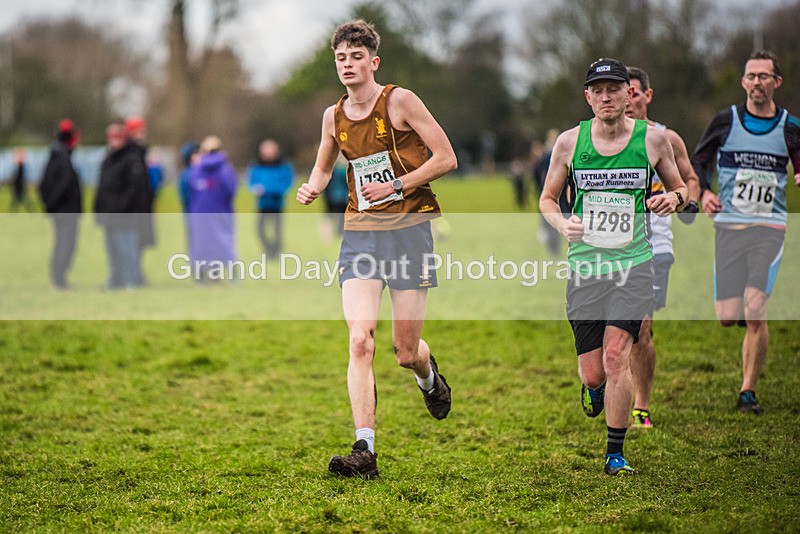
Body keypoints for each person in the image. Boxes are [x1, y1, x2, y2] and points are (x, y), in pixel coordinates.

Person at [296, 19, 457, 479]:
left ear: (373, 61)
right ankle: (364, 448)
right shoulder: (333, 115)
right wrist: (312, 186)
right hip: (361, 234)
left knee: (405, 352)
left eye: (356, 57)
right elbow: (324, 165)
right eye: (341, 58)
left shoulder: (400, 101)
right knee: (359, 338)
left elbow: (446, 157)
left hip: (409, 233)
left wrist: (398, 184)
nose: (348, 65)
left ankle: (429, 378)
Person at [539, 58, 687, 476]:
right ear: (588, 97)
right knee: (592, 373)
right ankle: (596, 390)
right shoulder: (570, 143)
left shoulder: (653, 141)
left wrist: (671, 200)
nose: (607, 96)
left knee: (617, 354)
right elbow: (547, 199)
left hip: (634, 264)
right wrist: (562, 222)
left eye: (615, 89)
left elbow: (679, 188)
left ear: (629, 95)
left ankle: (614, 454)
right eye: (598, 90)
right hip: (586, 267)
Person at [690, 50, 800, 415]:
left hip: (769, 229)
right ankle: (750, 312)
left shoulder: (790, 127)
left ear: (776, 82)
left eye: (764, 76)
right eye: (751, 76)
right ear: (743, 82)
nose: (757, 82)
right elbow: (699, 161)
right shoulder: (725, 121)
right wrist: (704, 192)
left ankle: (747, 391)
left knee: (755, 310)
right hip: (729, 229)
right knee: (727, 315)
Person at [624, 66, 701, 429]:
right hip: (608, 246)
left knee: (639, 326)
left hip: (655, 242)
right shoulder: (600, 139)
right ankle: (611, 384)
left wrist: (682, 202)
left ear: (647, 96)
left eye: (634, 92)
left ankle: (640, 404)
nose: (627, 99)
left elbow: (689, 182)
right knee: (615, 325)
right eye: (623, 92)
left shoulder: (665, 138)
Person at [94, 123, 149, 289]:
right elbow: (102, 187)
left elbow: (134, 189)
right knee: (113, 250)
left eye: (117, 138)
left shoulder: (131, 159)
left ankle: (132, 281)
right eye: (111, 138)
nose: (113, 141)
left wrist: (121, 206)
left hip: (125, 214)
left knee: (128, 248)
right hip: (108, 214)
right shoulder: (108, 160)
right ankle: (115, 280)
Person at [38, 119, 82, 290]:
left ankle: (58, 278)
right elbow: (62, 185)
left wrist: (49, 204)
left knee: (62, 243)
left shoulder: (55, 155)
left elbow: (43, 185)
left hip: (60, 210)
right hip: (65, 211)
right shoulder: (62, 158)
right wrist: (53, 204)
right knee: (65, 243)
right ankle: (59, 279)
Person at [188, 135, 238, 281]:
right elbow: (231, 190)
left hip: (199, 212)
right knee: (224, 242)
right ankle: (231, 275)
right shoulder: (226, 169)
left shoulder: (196, 168)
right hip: (221, 211)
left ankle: (202, 276)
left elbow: (190, 189)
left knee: (202, 244)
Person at [247, 139, 295, 258]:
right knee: (260, 229)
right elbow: (252, 182)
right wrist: (256, 189)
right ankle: (269, 250)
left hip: (277, 203)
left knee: (277, 230)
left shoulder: (283, 165)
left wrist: (272, 190)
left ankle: (276, 252)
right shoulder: (256, 166)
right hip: (262, 204)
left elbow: (287, 182)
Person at [9, 147, 34, 212]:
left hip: (20, 185)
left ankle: (29, 209)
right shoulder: (20, 167)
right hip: (19, 185)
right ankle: (14, 211)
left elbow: (20, 177)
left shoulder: (21, 167)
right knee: (17, 199)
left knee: (21, 199)